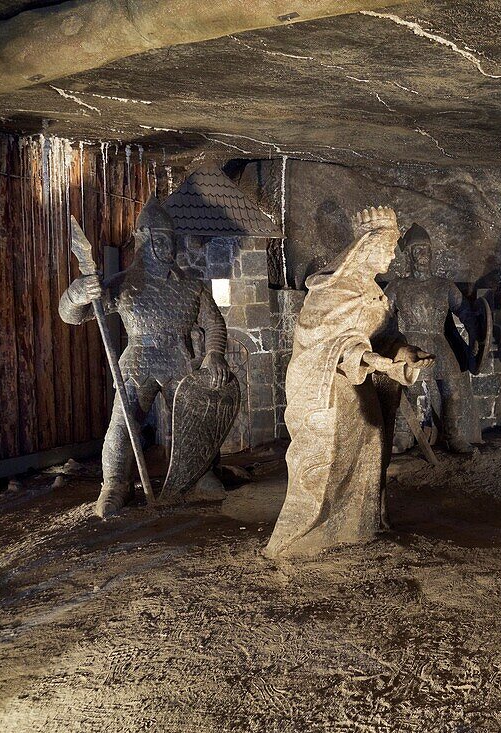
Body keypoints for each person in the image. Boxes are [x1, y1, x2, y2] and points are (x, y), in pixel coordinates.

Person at [265, 207, 434, 558]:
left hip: (358, 387)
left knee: (371, 444)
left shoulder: (376, 294)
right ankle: (301, 538)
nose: (392, 254)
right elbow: (322, 341)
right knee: (327, 461)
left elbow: (386, 336)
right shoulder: (330, 291)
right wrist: (371, 359)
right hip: (326, 390)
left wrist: (404, 353)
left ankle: (357, 528)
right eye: (388, 246)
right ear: (366, 246)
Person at [58, 196, 228, 519]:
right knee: (122, 425)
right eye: (163, 240)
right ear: (146, 240)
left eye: (172, 240)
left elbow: (213, 323)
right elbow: (72, 315)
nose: (170, 248)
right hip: (138, 360)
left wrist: (214, 355)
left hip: (180, 358)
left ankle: (199, 474)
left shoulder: (191, 288)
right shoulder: (125, 284)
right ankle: (115, 484)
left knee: (193, 422)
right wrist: (77, 293)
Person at [384, 224, 481, 454]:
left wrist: (476, 336)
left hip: (439, 343)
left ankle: (454, 436)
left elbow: (465, 312)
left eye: (426, 249)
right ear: (409, 255)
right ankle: (402, 436)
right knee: (407, 389)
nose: (422, 254)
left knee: (452, 388)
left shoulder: (445, 286)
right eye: (417, 250)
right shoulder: (398, 286)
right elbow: (381, 315)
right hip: (411, 344)